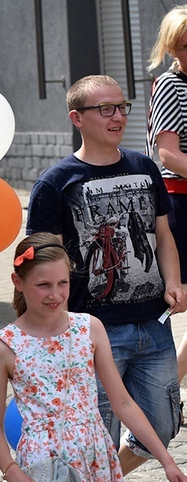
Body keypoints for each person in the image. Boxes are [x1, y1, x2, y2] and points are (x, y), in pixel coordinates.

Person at [26, 74, 186, 476]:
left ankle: (97, 479)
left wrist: (172, 281)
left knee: (162, 427)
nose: (118, 117)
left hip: (154, 325)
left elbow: (162, 236)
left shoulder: (143, 166)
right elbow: (42, 262)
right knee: (96, 434)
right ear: (76, 118)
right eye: (105, 109)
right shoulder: (56, 183)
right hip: (93, 333)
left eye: (122, 107)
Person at [0, 232, 187, 482]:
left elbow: (123, 403)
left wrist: (167, 462)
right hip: (41, 468)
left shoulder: (89, 328)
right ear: (18, 282)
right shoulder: (4, 346)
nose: (55, 294)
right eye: (43, 285)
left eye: (63, 283)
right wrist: (11, 472)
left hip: (96, 460)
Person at [145, 5, 187, 390]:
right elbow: (168, 154)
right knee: (176, 298)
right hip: (178, 201)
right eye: (186, 46)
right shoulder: (170, 86)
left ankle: (169, 386)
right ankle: (159, 385)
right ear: (173, 48)